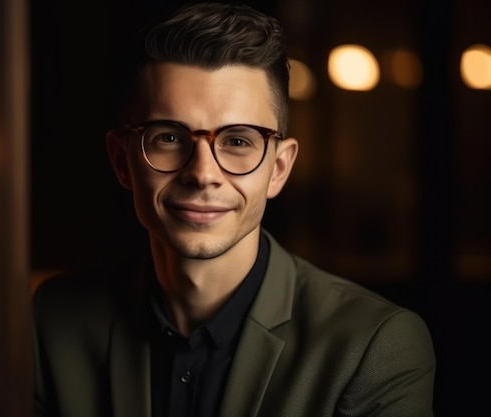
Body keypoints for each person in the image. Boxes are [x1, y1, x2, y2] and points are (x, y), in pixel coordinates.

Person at [32, 2, 436, 416]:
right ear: (122, 162)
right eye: (169, 138)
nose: (202, 174)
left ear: (278, 169)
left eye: (238, 141)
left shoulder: (373, 346)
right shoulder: (53, 320)